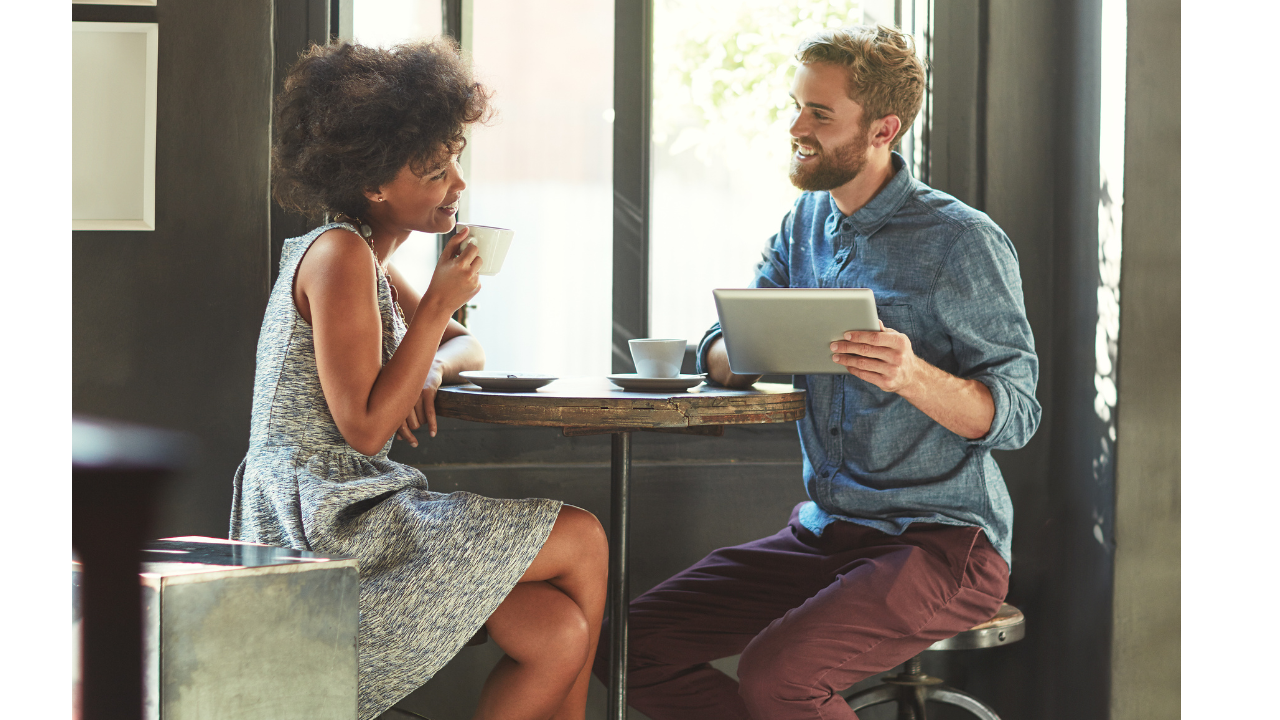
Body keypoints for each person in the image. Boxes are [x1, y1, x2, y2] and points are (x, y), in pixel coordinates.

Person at [594, 25, 1040, 719]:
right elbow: (726, 338)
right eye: (797, 106)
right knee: (627, 646)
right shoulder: (804, 222)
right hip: (828, 531)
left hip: (944, 542)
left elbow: (1015, 414)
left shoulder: (961, 241)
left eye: (820, 114)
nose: (795, 127)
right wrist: (738, 353)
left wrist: (911, 375)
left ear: (882, 129)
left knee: (777, 677)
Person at [230, 40, 607, 720]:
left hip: (354, 507)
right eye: (435, 171)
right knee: (582, 538)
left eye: (454, 159)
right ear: (374, 184)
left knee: (557, 633)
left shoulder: (365, 257)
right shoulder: (340, 254)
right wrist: (437, 303)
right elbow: (367, 428)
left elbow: (471, 347)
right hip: (328, 523)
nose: (457, 184)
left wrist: (428, 360)